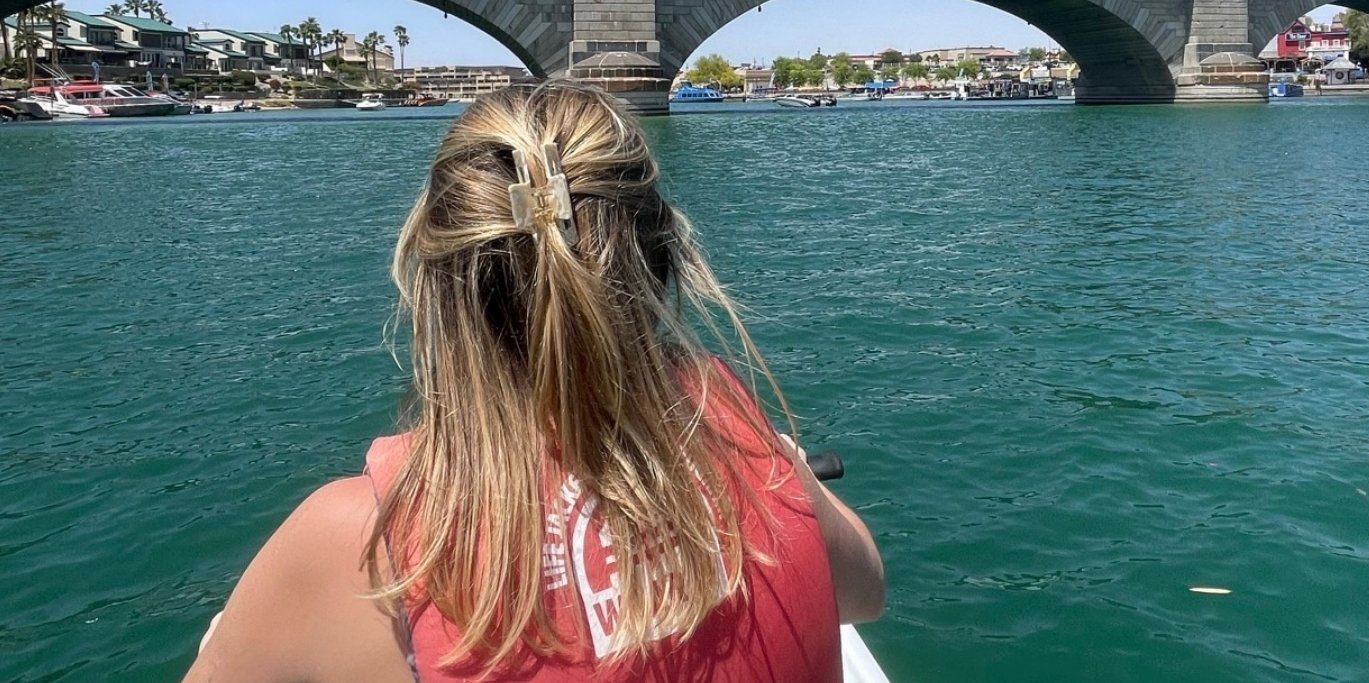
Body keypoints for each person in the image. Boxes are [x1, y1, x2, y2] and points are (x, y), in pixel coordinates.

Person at [185, 81, 883, 683]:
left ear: (436, 283)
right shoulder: (747, 442)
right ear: (664, 262)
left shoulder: (358, 543)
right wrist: (791, 469)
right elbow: (865, 590)